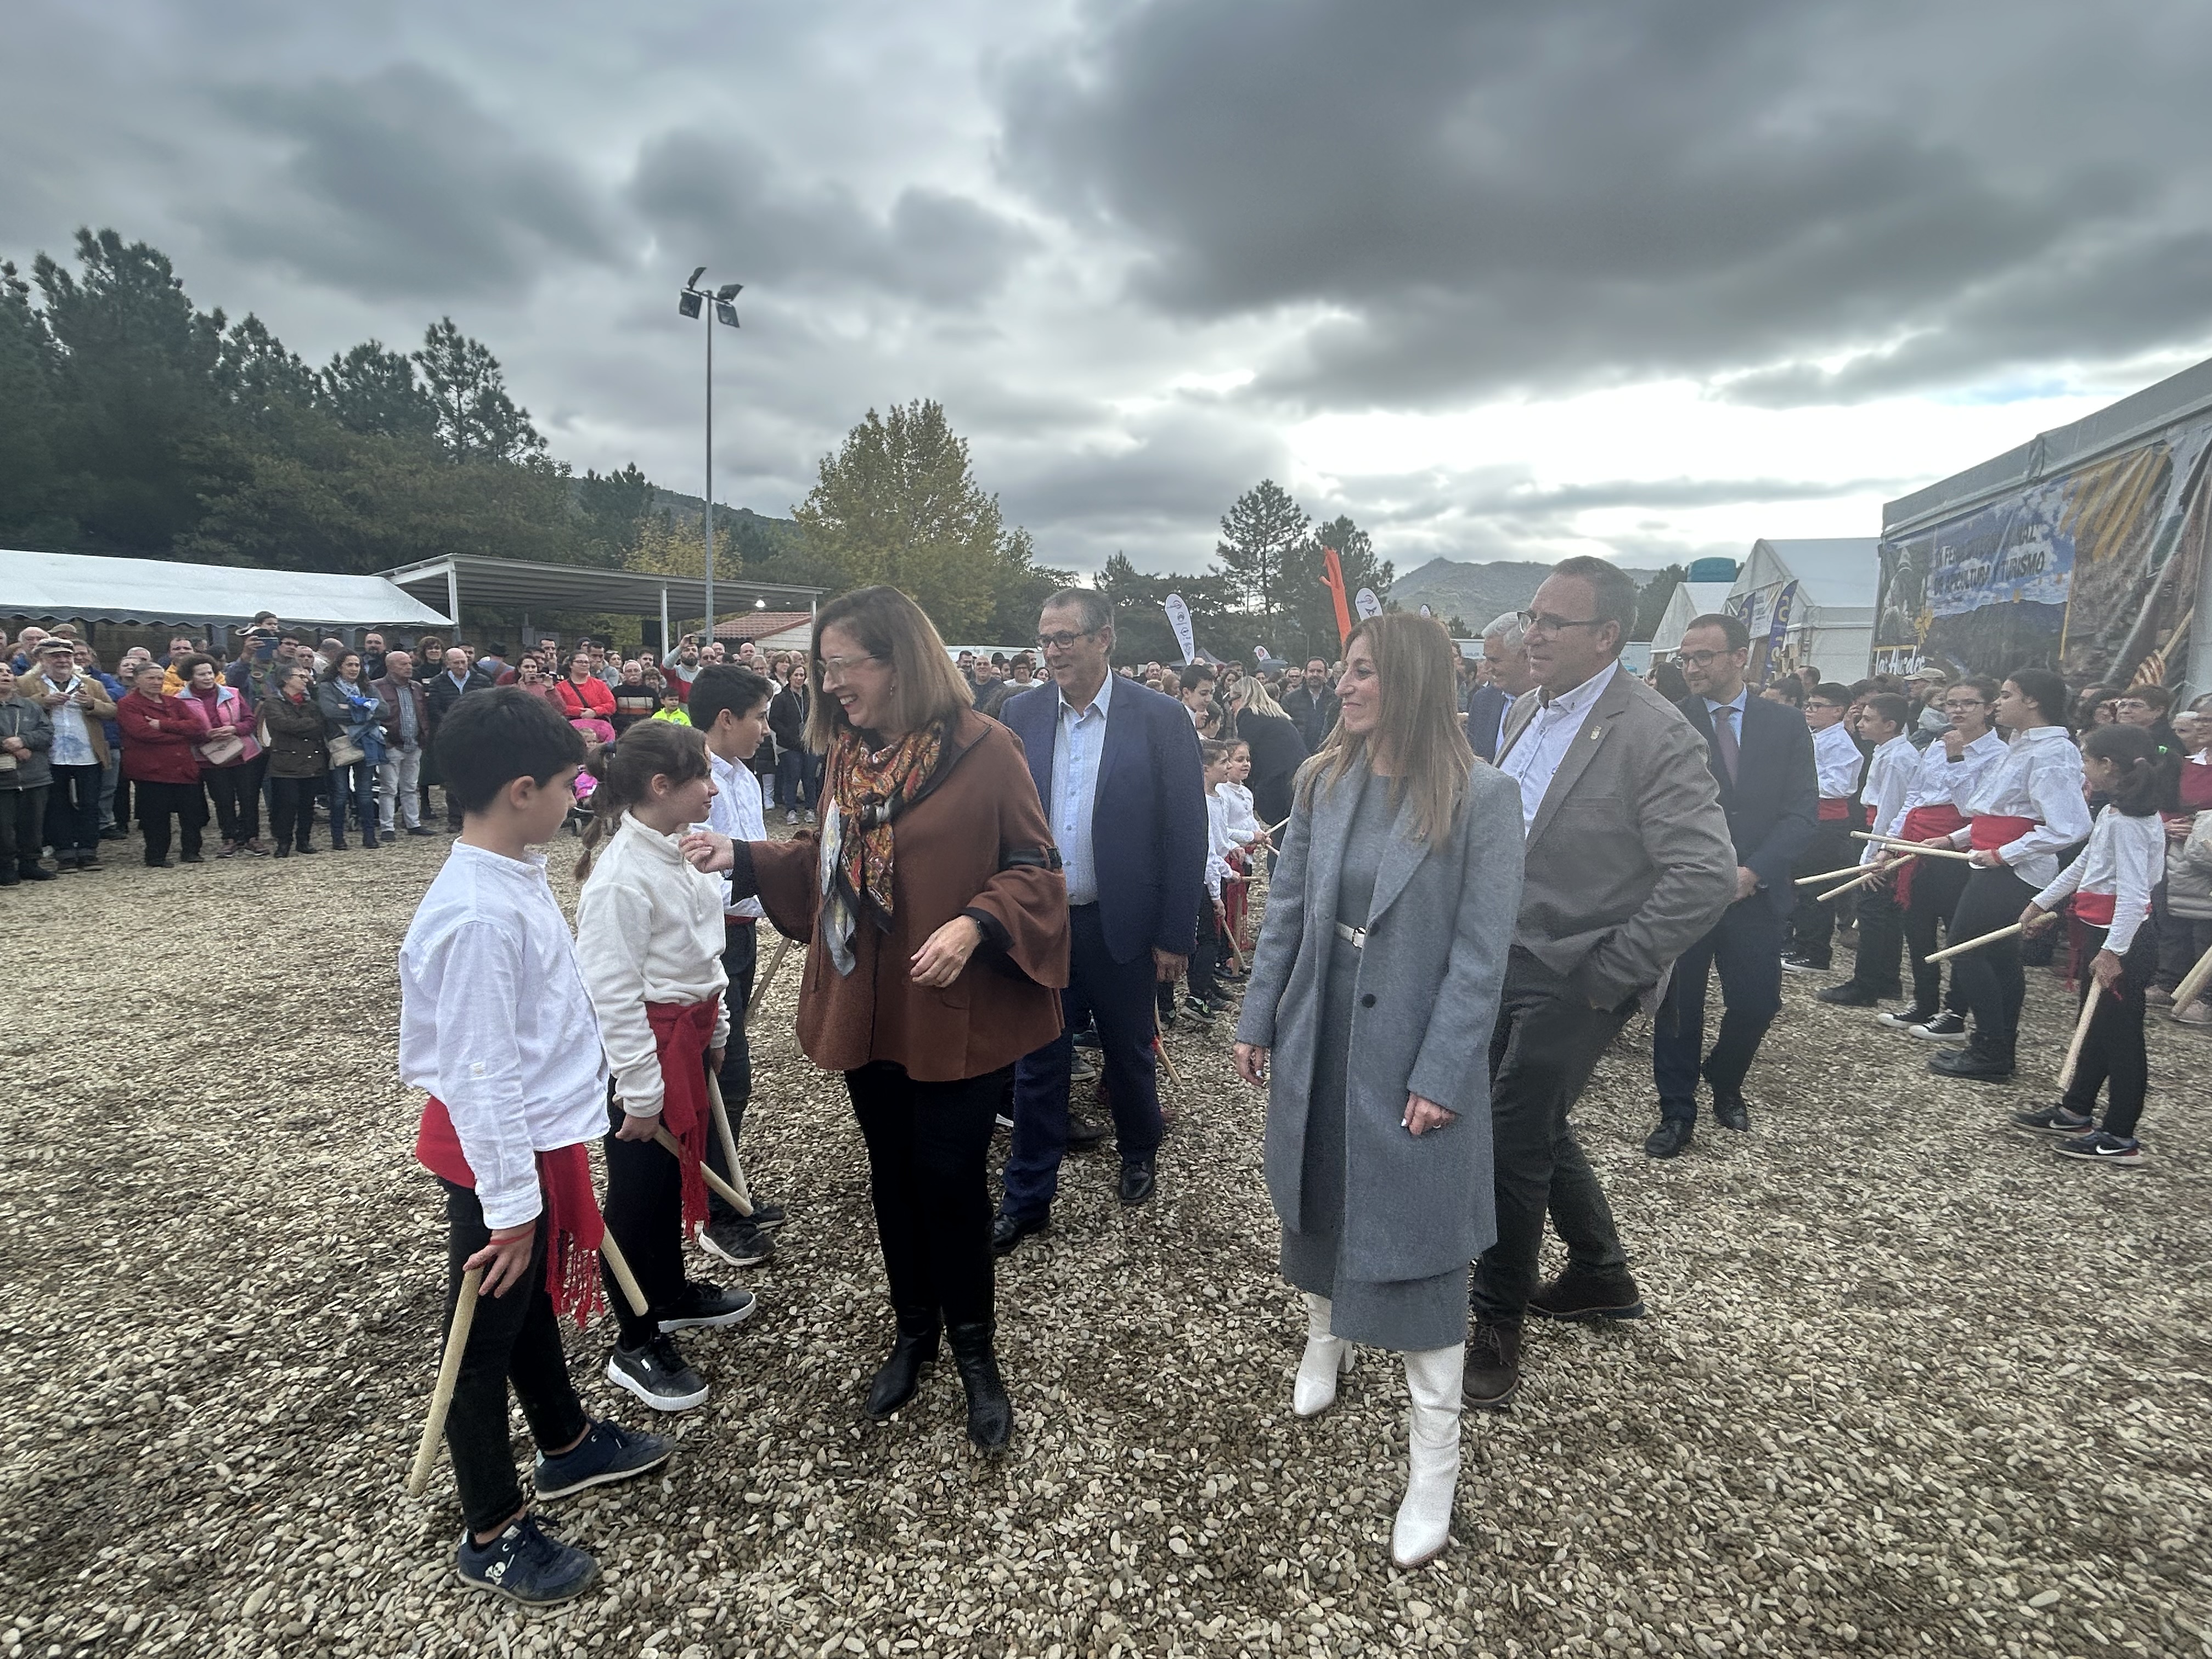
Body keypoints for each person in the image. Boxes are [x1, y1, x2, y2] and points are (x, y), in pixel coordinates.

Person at [681, 585, 1069, 1451]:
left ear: (899, 661)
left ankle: (976, 1354)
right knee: (890, 1178)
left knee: (951, 1182)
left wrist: (976, 922)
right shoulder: (847, 756)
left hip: (951, 1007)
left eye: (842, 666)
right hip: (868, 1004)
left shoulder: (987, 749)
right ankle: (912, 1332)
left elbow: (1037, 869)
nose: (830, 685)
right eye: (823, 669)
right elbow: (828, 859)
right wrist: (740, 855)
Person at [1231, 613, 1521, 1568]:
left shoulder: (1485, 795)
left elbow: (1482, 957)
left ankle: (1433, 1459)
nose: (1343, 686)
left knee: (1420, 1243)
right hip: (1323, 1026)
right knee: (1316, 1198)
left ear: (1405, 682)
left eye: (1361, 672)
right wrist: (1256, 1013)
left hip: (1411, 1046)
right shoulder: (1324, 780)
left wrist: (1442, 1071)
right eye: (1345, 671)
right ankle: (1326, 1336)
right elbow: (1288, 908)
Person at [399, 689, 674, 1604]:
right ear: (522, 789)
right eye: (570, 782)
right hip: (495, 1157)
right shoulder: (478, 913)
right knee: (479, 1341)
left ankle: (564, 1440)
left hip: (531, 1139)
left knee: (526, 1315)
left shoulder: (510, 869)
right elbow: (479, 1070)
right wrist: (512, 1208)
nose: (580, 794)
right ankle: (491, 1525)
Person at [1471, 557, 1736, 1408]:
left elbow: (1702, 874)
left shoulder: (1655, 732)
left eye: (1555, 621)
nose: (1532, 633)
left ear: (1607, 638)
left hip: (1577, 969)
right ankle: (1600, 1273)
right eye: (1533, 615)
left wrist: (1611, 973)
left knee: (1509, 1134)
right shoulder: (1521, 708)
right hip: (1502, 952)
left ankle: (1495, 1319)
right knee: (1533, 1120)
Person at [993, 588, 1207, 1253]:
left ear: (1103, 639)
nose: (1052, 651)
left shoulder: (1160, 717)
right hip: (1041, 927)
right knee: (1038, 1065)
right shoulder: (1018, 714)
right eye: (1046, 639)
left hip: (1122, 925)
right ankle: (1028, 1194)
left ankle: (1139, 1150)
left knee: (1129, 1050)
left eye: (1065, 638)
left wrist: (1177, 936)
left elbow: (1185, 831)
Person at [572, 720, 755, 1412]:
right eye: (701, 779)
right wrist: (640, 1091)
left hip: (688, 1034)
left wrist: (722, 1025)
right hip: (647, 1048)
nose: (713, 789)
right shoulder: (620, 878)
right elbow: (613, 992)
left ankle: (672, 1294)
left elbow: (701, 955)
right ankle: (635, 1339)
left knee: (681, 1169)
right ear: (660, 787)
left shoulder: (681, 852)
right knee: (640, 1189)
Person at [1649, 615, 1816, 1156]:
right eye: (1686, 657)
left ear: (1740, 657)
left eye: (1704, 657)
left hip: (1756, 892)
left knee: (1757, 1003)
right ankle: (1676, 1112)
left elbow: (1801, 814)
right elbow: (1654, 810)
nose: (1692, 667)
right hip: (1686, 892)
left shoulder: (1785, 726)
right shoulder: (1669, 722)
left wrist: (1754, 871)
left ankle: (1725, 1077)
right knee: (1679, 1008)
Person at [2009, 725, 2166, 1163]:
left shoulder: (2135, 822)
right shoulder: (2114, 812)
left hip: (2125, 937)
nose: (2083, 767)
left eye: (2087, 759)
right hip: (2101, 928)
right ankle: (2075, 1110)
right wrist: (2040, 902)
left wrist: (2114, 951)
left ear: (2107, 766)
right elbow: (2086, 864)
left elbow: (2137, 894)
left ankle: (2120, 1135)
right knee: (2092, 1025)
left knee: (2121, 1037)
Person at [1927, 669, 2091, 1082]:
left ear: (2033, 701)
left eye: (2005, 694)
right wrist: (1953, 839)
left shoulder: (2053, 751)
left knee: (1965, 948)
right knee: (1999, 958)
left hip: (2016, 870)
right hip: (1993, 859)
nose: (1997, 703)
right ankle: (1995, 1049)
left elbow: (2070, 826)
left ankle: (1991, 1047)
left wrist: (2006, 854)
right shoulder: (2018, 747)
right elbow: (1994, 811)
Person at [688, 664, 787, 1269]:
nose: (766, 729)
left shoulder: (745, 778)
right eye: (760, 717)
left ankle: (727, 1188)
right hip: (708, 941)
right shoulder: (696, 783)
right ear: (727, 719)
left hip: (743, 935)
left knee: (732, 1071)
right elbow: (692, 874)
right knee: (725, 1075)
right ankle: (714, 1213)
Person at [1815, 693, 1915, 1007]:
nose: (1860, 724)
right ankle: (1886, 980)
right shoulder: (1887, 752)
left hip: (1885, 839)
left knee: (1873, 913)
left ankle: (1867, 984)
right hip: (1883, 836)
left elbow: (1890, 811)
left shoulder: (1899, 758)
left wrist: (1874, 855)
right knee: (1883, 914)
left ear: (1891, 725)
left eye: (1868, 719)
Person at [1781, 682, 1867, 973]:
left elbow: (1842, 786)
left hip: (1827, 823)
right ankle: (1801, 943)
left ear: (1838, 711)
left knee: (1815, 887)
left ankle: (1816, 952)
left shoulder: (1841, 743)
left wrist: (1800, 785)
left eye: (1818, 706)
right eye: (1809, 704)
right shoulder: (1817, 737)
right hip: (1808, 817)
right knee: (1800, 884)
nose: (1810, 710)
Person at [22, 637, 115, 872]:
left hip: (88, 753)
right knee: (57, 804)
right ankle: (65, 853)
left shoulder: (90, 684)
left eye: (67, 656)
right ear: (41, 660)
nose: (62, 660)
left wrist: (91, 704)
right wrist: (43, 702)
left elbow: (113, 710)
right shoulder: (26, 683)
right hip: (50, 755)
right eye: (55, 656)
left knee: (90, 803)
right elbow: (16, 707)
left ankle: (88, 850)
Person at [116, 661, 212, 867]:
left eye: (160, 678)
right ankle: (156, 855)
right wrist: (181, 736)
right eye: (151, 678)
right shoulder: (128, 704)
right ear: (137, 680)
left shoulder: (174, 703)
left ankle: (191, 851)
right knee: (156, 816)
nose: (156, 682)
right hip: (152, 769)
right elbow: (142, 733)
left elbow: (197, 726)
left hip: (183, 767)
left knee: (192, 813)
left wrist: (164, 725)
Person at [180, 654, 267, 856]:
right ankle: (229, 837)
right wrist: (205, 735)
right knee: (223, 800)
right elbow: (182, 730)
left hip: (243, 753)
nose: (208, 677)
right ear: (190, 677)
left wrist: (233, 729)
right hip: (210, 757)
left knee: (249, 798)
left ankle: (252, 837)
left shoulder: (233, 693)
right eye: (201, 674)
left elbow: (250, 721)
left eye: (210, 672)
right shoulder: (181, 701)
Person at [259, 661, 330, 857]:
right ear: (285, 680)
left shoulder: (310, 703)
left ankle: (304, 840)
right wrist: (307, 724)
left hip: (310, 761)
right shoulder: (273, 702)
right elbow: (282, 725)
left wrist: (302, 724)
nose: (305, 679)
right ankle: (284, 842)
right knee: (287, 805)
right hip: (286, 763)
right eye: (300, 676)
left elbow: (321, 724)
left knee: (307, 804)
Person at [1222, 675, 1307, 837]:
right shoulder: (1277, 715)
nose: (1231, 706)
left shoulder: (1247, 716)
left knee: (1279, 837)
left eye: (1231, 700)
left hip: (1277, 785)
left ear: (1242, 697)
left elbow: (1246, 756)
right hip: (1297, 779)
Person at [318, 650, 386, 850]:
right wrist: (365, 709)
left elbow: (384, 710)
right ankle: (338, 838)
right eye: (350, 665)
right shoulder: (327, 687)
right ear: (339, 667)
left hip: (366, 742)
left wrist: (349, 707)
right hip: (340, 743)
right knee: (339, 794)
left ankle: (369, 836)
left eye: (357, 665)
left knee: (365, 792)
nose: (354, 669)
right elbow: (330, 712)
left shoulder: (367, 686)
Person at [427, 649, 495, 831]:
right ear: (447, 663)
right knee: (453, 779)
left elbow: (490, 705)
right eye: (456, 662)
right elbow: (434, 709)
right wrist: (453, 724)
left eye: (463, 662)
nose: (460, 666)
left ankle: (478, 818)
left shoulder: (482, 681)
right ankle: (455, 819)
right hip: (452, 735)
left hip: (478, 734)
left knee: (480, 779)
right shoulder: (437, 683)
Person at [0, 664, 54, 884]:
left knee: (32, 823)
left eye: (8, 672)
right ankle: (5, 866)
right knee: (3, 826)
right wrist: (8, 746)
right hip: (3, 781)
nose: (5, 676)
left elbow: (47, 732)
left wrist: (25, 741)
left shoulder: (30, 707)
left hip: (34, 776)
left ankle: (30, 863)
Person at [373, 650, 433, 838]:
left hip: (414, 744)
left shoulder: (416, 687)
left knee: (410, 786)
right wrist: (386, 741)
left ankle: (413, 823)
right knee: (389, 788)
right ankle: (387, 827)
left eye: (409, 664)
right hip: (390, 744)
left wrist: (424, 736)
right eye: (403, 664)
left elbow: (423, 714)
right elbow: (373, 716)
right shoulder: (376, 687)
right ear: (390, 667)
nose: (409, 668)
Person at [1466, 613, 1535, 762]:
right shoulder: (1483, 701)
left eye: (1494, 660)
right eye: (1486, 658)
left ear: (1526, 656)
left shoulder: (1554, 705)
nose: (1486, 668)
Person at [768, 665, 814, 824]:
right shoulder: (781, 698)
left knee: (809, 778)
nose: (799, 678)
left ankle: (810, 809)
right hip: (789, 745)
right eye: (796, 675)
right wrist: (789, 735)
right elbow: (773, 720)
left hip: (809, 744)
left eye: (802, 675)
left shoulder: (810, 697)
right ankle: (791, 810)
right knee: (792, 777)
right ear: (790, 677)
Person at [1283, 658, 1341, 752]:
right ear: (1305, 674)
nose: (1315, 674)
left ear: (1326, 674)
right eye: (1312, 671)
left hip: (1327, 754)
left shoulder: (1336, 699)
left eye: (1319, 671)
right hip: (1299, 754)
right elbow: (1286, 731)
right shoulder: (1290, 700)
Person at [610, 661, 656, 733]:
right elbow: (613, 713)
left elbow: (657, 711)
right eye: (629, 671)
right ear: (624, 674)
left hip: (648, 728)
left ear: (641, 673)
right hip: (624, 730)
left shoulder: (651, 692)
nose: (633, 673)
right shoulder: (617, 692)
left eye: (636, 671)